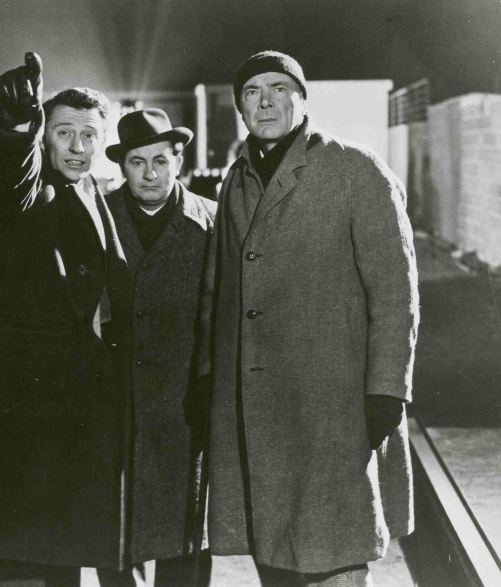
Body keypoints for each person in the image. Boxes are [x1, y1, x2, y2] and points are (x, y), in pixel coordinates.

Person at [199, 51, 419, 586]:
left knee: (334, 555)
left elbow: (395, 291)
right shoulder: (236, 179)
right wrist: (208, 377)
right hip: (256, 408)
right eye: (252, 92)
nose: (266, 102)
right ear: (240, 107)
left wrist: (387, 388)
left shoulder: (355, 168)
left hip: (332, 409)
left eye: (279, 88)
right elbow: (216, 290)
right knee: (273, 554)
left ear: (301, 99)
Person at [0, 52, 132, 586]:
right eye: (63, 133)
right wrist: (14, 125)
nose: (77, 147)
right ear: (43, 139)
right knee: (19, 572)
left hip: (70, 432)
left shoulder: (91, 191)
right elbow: (10, 172)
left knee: (59, 571)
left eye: (89, 135)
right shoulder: (30, 192)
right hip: (20, 432)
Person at [99, 108, 216, 587]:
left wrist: (209, 387)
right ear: (121, 166)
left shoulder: (212, 220)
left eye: (160, 161)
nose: (150, 174)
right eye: (137, 162)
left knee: (184, 538)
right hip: (114, 404)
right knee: (114, 537)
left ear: (178, 161)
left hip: (185, 406)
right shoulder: (96, 216)